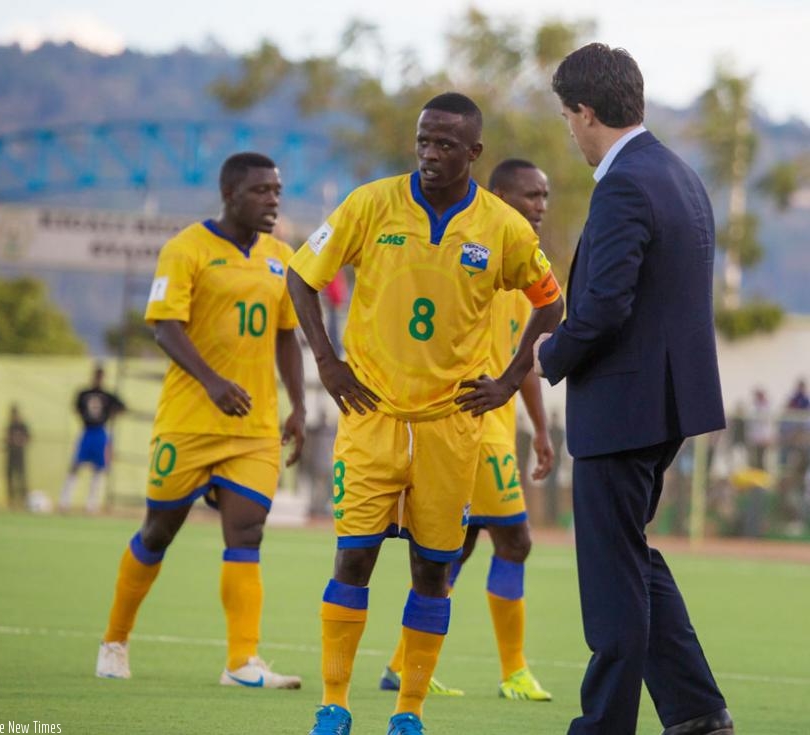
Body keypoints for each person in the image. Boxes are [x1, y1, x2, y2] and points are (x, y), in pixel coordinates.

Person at [287, 93, 564, 735]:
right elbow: (301, 276)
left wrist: (510, 376)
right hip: (371, 417)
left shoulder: (503, 228)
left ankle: (408, 712)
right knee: (353, 558)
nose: (431, 155)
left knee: (433, 569)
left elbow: (551, 306)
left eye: (445, 145)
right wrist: (327, 363)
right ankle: (334, 705)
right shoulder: (370, 203)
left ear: (474, 153)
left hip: (452, 426)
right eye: (423, 142)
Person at [534, 44, 733, 735]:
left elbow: (606, 306)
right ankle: (698, 710)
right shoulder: (679, 174)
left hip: (623, 405)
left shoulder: (623, 183)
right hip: (666, 403)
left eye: (567, 116)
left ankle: (605, 725)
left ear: (586, 113)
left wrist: (547, 353)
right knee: (634, 559)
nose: (569, 129)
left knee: (612, 575)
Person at [95, 152, 306, 691]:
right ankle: (114, 641)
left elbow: (286, 335)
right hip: (189, 424)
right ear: (230, 194)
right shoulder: (186, 248)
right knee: (158, 532)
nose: (273, 200)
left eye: (277, 191)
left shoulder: (282, 258)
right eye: (262, 191)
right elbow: (165, 328)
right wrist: (212, 382)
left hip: (255, 427)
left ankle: (242, 662)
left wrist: (299, 406)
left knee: (247, 531)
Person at [379, 158, 556, 702]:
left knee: (462, 547)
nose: (541, 207)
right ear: (499, 195)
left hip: (497, 428)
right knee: (514, 541)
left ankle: (403, 664)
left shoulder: (526, 271)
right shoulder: (476, 263)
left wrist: (541, 431)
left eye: (546, 197)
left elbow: (519, 362)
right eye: (531, 196)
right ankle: (513, 672)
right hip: (469, 429)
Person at [58, 364, 126, 513]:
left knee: (99, 469)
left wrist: (111, 414)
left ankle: (92, 504)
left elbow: (122, 407)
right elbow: (76, 408)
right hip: (87, 431)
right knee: (75, 466)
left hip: (101, 432)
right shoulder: (84, 393)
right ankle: (64, 501)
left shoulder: (108, 395)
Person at [5, 403, 31, 510]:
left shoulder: (22, 426)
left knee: (21, 477)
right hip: (11, 455)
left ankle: (24, 500)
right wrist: (10, 441)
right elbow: (7, 439)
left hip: (20, 456)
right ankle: (11, 500)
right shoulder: (10, 426)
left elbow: (28, 438)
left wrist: (20, 441)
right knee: (10, 477)